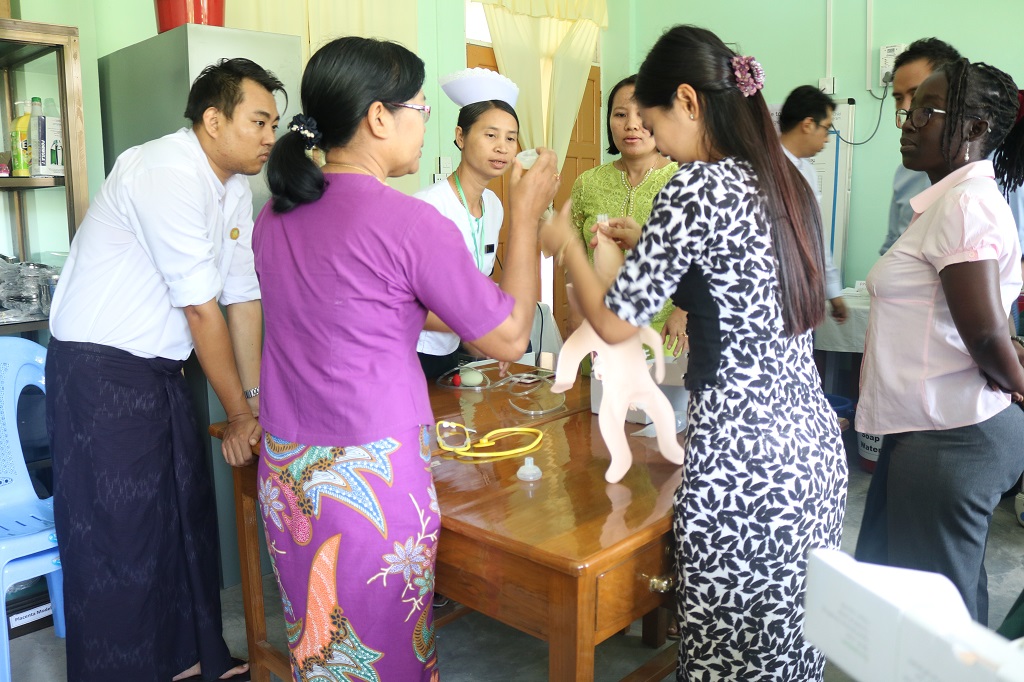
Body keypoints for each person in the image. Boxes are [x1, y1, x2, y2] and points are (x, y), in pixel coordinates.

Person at [541, 25, 847, 680]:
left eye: (652, 123)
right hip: (812, 456)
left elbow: (616, 326)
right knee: (789, 653)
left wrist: (565, 241)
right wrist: (649, 237)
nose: (653, 141)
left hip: (742, 466)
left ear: (686, 101)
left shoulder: (693, 188)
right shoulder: (787, 183)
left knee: (722, 661)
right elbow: (737, 282)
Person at [253, 36, 559, 681]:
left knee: (319, 646)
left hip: (288, 474)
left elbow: (362, 305)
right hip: (372, 477)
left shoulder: (274, 216)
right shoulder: (411, 224)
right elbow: (507, 338)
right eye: (420, 107)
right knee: (385, 652)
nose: (426, 123)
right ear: (378, 117)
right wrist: (527, 216)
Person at [45, 57, 283, 682]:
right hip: (99, 373)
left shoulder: (232, 188)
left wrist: (252, 403)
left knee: (183, 519)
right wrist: (236, 412)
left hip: (162, 371)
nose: (270, 137)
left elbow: (243, 297)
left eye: (274, 124)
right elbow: (201, 308)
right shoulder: (163, 169)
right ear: (212, 119)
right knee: (119, 535)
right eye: (259, 121)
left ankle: (192, 659)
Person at [855, 58, 1024, 624]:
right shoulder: (946, 204)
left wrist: (1019, 384)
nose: (907, 121)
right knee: (925, 603)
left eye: (925, 111)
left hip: (951, 436)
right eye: (908, 108)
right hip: (928, 430)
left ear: (973, 129)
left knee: (936, 625)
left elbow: (982, 332)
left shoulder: (965, 205)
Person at [569, 75, 687, 353]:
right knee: (595, 397)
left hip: (664, 331)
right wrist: (574, 313)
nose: (631, 125)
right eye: (620, 114)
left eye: (643, 115)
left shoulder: (683, 180)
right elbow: (574, 256)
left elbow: (703, 260)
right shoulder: (588, 183)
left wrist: (683, 311)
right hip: (598, 329)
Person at [416, 69, 520, 378]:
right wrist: (481, 331)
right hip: (414, 350)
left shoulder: (494, 206)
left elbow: (480, 282)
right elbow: (407, 304)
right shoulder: (428, 206)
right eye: (490, 135)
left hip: (455, 348)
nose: (502, 147)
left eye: (510, 138)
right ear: (461, 136)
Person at [879, 38, 962, 255]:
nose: (906, 108)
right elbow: (892, 249)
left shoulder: (999, 173)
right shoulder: (905, 173)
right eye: (898, 98)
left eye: (917, 94)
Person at [779, 84, 847, 323]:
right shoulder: (765, 168)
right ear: (808, 125)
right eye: (826, 129)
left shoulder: (806, 170)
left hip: (804, 293)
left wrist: (832, 290)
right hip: (775, 293)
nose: (828, 138)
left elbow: (815, 232)